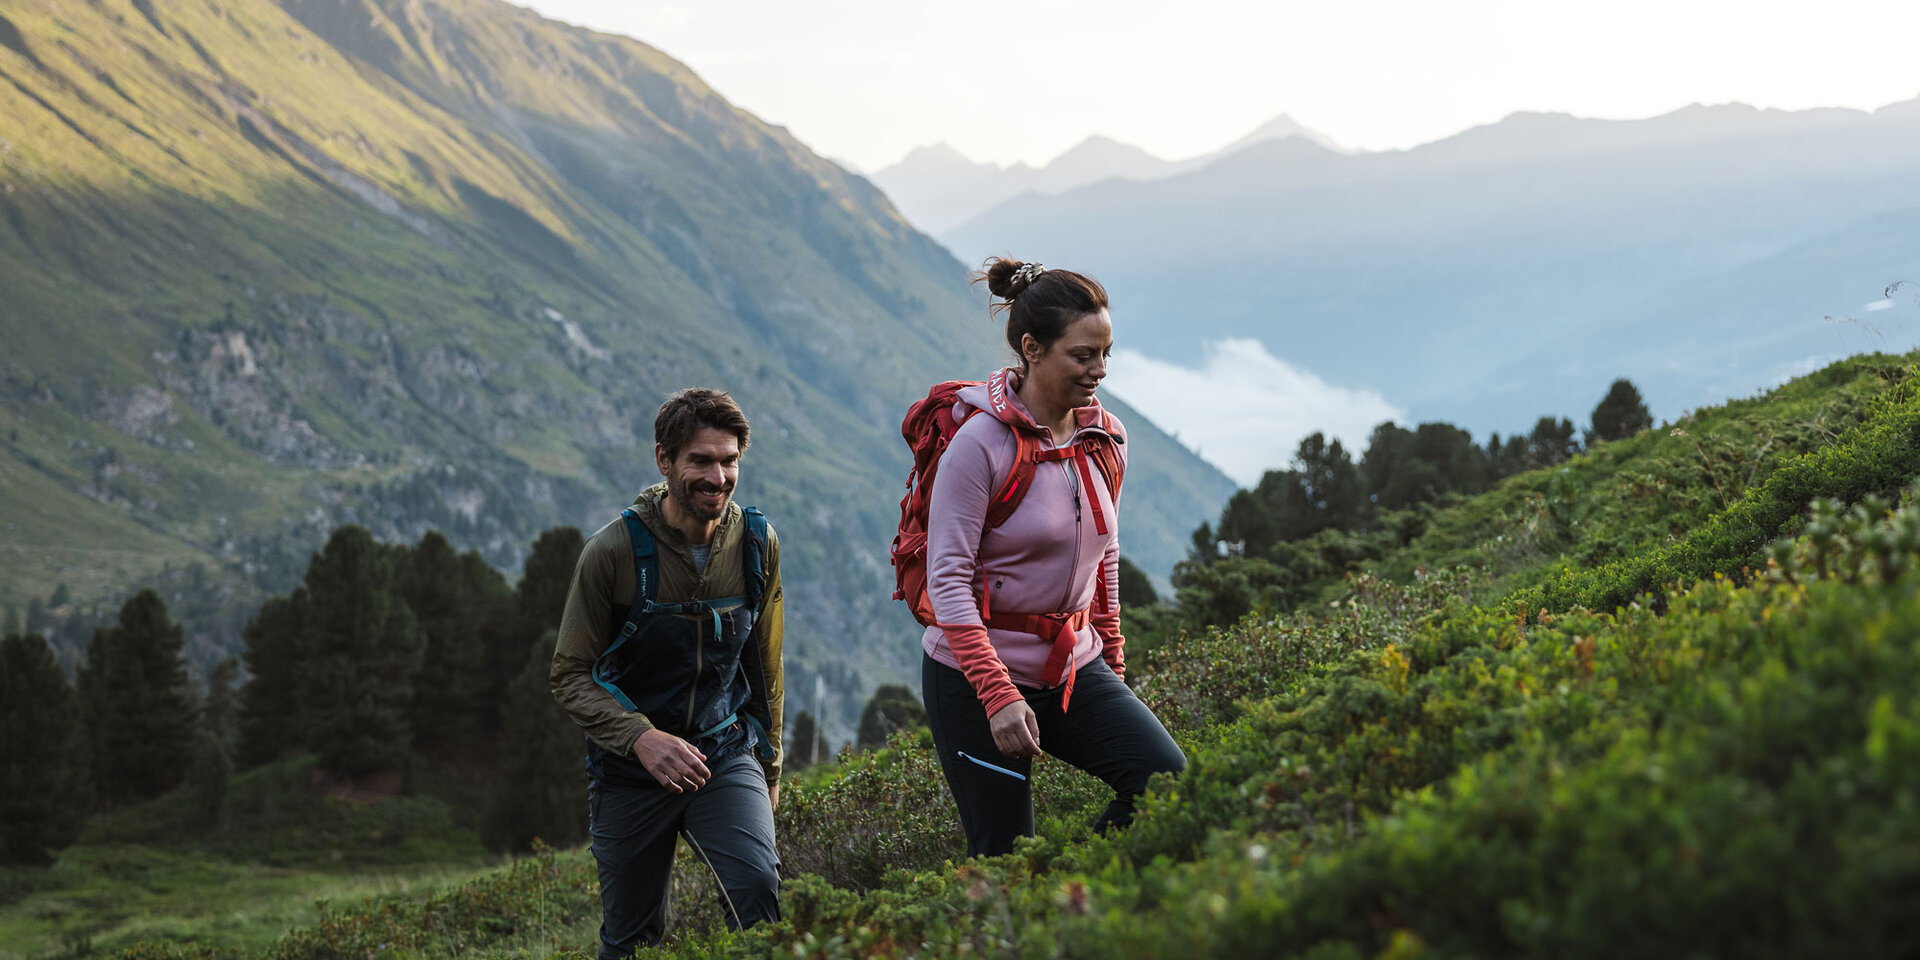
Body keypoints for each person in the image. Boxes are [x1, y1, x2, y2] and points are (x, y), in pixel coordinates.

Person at [921, 257, 1186, 857]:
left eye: (1106, 353)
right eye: (1083, 355)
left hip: (1071, 664)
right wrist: (997, 695)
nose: (1099, 370)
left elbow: (1104, 557)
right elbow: (948, 583)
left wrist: (1112, 664)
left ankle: (1070, 902)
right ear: (1032, 349)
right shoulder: (979, 445)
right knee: (1006, 857)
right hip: (973, 679)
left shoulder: (1104, 436)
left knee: (1166, 784)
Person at [550, 388, 785, 959]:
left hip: (723, 754)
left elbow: (766, 662)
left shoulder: (757, 543)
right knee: (632, 940)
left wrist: (770, 766)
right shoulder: (612, 553)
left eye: (729, 461)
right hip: (630, 773)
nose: (718, 477)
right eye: (700, 461)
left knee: (758, 895)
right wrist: (642, 739)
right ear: (665, 461)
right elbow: (570, 674)